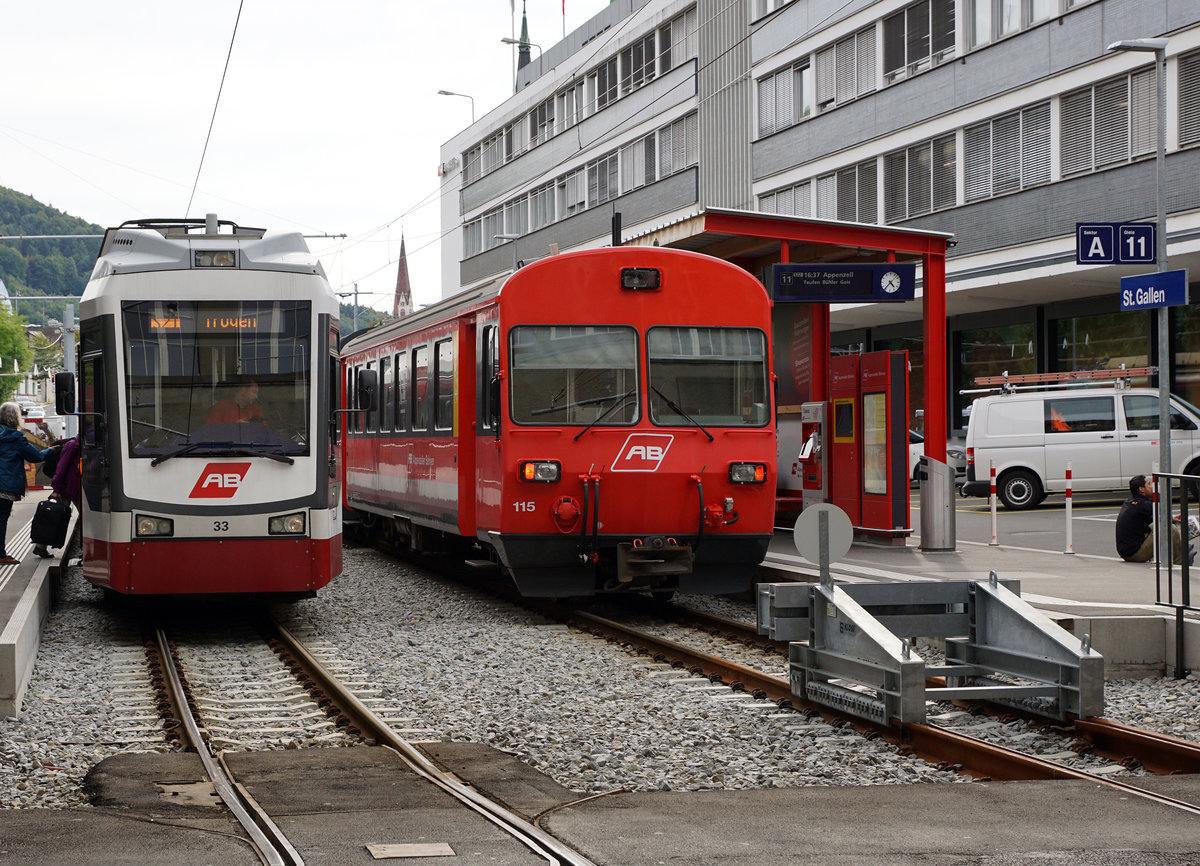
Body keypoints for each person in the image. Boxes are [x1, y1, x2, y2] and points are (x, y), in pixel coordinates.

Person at [0, 402, 53, 566]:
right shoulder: (16, 438)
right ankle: (1, 555)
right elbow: (35, 457)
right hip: (5, 484)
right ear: (15, 418)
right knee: (1, 519)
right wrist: (50, 450)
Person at [1115, 474, 1192, 565]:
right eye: (1149, 484)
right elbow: (1163, 508)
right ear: (1142, 489)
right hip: (1134, 554)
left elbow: (1155, 519)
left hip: (1127, 551)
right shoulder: (1143, 505)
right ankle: (1179, 563)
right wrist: (1159, 494)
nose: (1152, 487)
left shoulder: (1131, 502)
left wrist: (1171, 518)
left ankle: (1175, 552)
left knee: (1157, 525)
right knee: (1171, 529)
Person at [33, 433, 80, 558]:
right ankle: (40, 546)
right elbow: (61, 468)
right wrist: (56, 488)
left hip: (76, 488)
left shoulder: (80, 445)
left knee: (57, 516)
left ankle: (40, 547)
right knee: (56, 516)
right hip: (66, 488)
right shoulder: (72, 445)